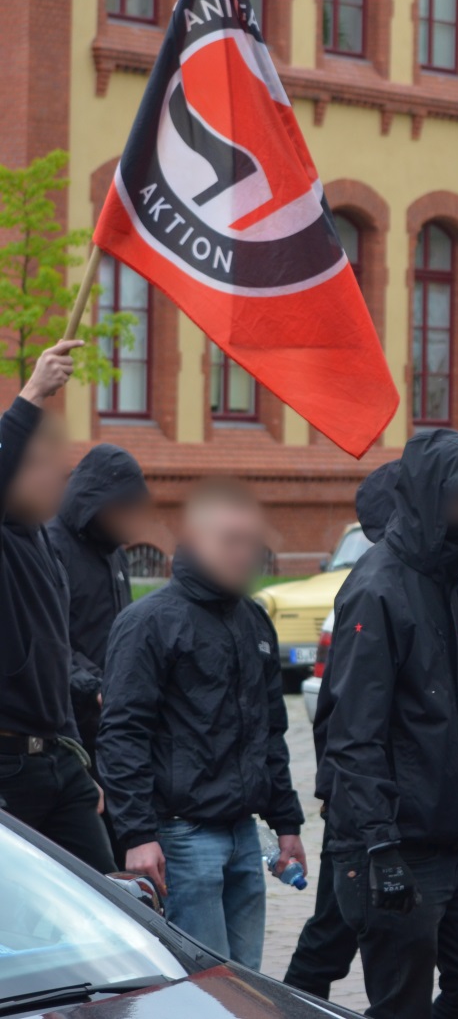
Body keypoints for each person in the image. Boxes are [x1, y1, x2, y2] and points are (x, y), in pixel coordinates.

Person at [318, 429, 458, 1019]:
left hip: (453, 847)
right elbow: (352, 732)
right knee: (399, 1005)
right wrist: (379, 845)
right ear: (432, 498)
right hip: (394, 846)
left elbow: (453, 719)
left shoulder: (449, 585)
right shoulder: (377, 590)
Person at [99, 480, 305, 969]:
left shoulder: (254, 620)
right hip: (181, 840)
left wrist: (288, 823)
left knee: (246, 984)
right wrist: (136, 834)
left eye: (251, 542)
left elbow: (270, 729)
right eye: (229, 540)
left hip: (243, 837)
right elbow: (122, 733)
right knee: (204, 989)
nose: (244, 554)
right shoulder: (149, 622)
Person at [283, 460, 398, 999]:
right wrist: (344, 795)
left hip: (379, 800)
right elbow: (349, 714)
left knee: (338, 932)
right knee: (333, 934)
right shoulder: (373, 588)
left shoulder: (411, 581)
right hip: (363, 803)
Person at [0, 340, 116, 872]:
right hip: (6, 767)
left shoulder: (42, 544)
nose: (57, 480)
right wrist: (32, 393)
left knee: (108, 904)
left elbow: (54, 662)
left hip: (59, 762)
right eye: (41, 467)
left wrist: (76, 757)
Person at [46, 443, 149, 772]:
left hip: (114, 719)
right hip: (67, 722)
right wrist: (94, 687)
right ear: (96, 502)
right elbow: (49, 639)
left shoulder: (116, 554)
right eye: (124, 507)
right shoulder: (51, 547)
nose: (131, 517)